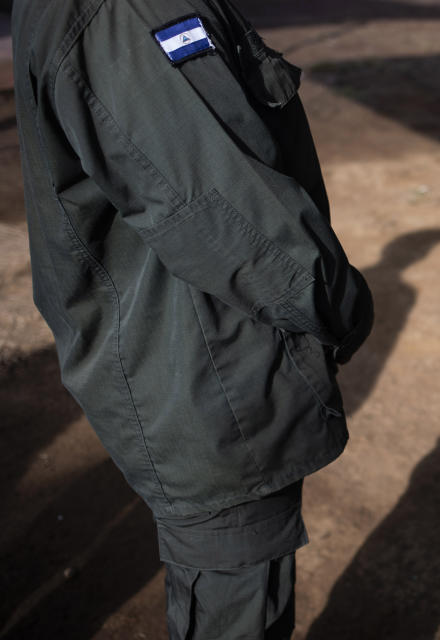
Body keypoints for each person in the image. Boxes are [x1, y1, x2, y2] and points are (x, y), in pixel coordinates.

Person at [12, 1, 373, 638]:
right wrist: (339, 305)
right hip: (213, 379)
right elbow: (226, 216)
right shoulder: (125, 9)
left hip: (198, 359)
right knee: (239, 607)